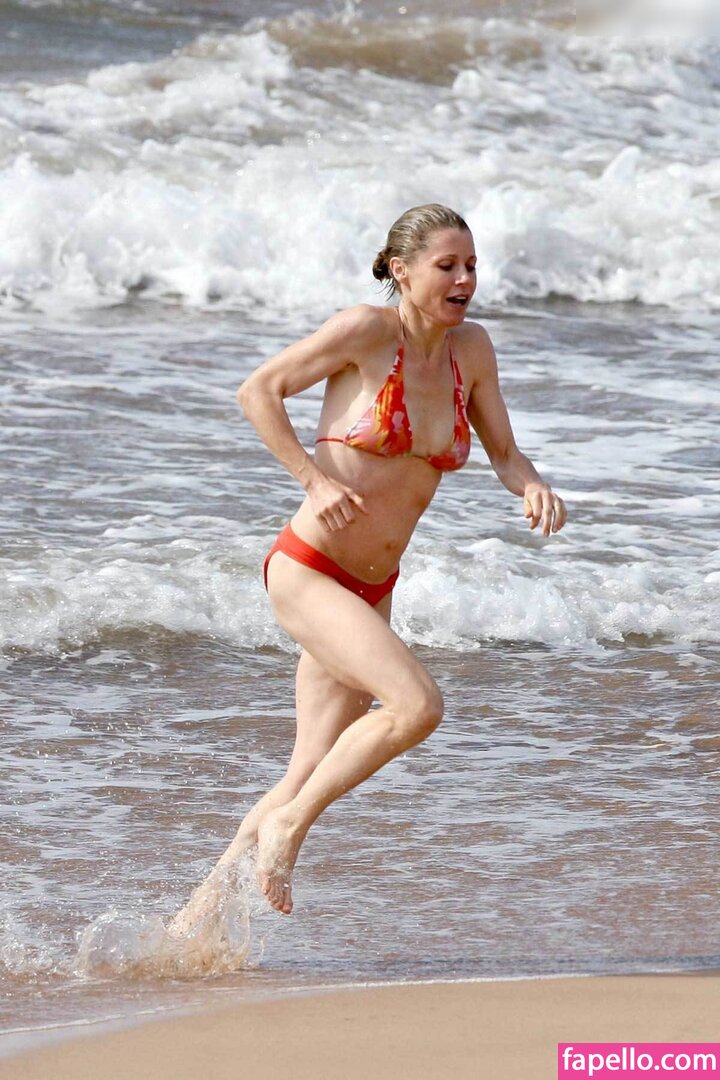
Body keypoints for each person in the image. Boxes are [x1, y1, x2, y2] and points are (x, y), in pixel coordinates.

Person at [170, 203, 567, 928]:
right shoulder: (365, 331)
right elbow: (258, 391)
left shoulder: (472, 351)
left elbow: (506, 454)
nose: (464, 279)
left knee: (306, 768)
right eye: (447, 266)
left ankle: (194, 925)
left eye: (471, 265)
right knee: (418, 707)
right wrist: (313, 481)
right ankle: (290, 829)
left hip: (373, 588)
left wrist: (533, 485)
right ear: (401, 270)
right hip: (309, 570)